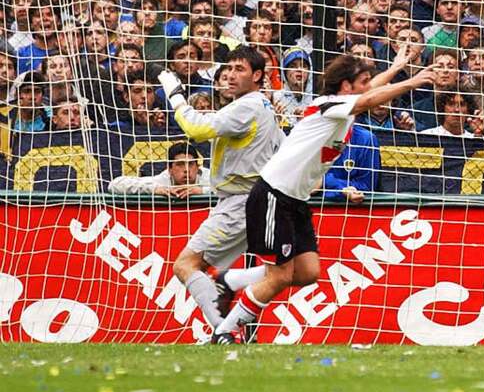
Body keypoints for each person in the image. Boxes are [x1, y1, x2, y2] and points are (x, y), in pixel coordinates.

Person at [209, 55, 437, 343]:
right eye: (363, 82)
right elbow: (368, 99)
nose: (368, 88)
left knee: (307, 272)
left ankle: (231, 280)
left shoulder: (344, 106)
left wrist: (395, 68)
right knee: (278, 276)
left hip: (295, 200)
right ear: (345, 86)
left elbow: (368, 92)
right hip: (274, 195)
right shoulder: (328, 106)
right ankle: (226, 330)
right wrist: (413, 81)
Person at [158, 46, 285, 332]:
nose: (230, 75)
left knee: (185, 266)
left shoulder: (249, 105)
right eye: (227, 69)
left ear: (258, 76)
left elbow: (197, 130)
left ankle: (224, 330)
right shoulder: (263, 106)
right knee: (293, 269)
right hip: (259, 200)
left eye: (239, 70)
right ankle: (230, 287)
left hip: (241, 202)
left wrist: (176, 96)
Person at [109, 141, 212, 197]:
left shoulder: (209, 177)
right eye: (180, 164)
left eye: (191, 164)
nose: (186, 169)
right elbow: (114, 185)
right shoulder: (163, 180)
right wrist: (154, 189)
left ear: (198, 167)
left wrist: (202, 191)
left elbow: (227, 190)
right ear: (169, 169)